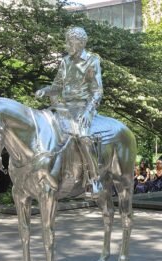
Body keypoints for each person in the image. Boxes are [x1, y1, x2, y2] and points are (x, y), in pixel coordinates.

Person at [35, 26, 103, 196]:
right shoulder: (65, 62)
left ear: (80, 42)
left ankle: (94, 179)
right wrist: (45, 90)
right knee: (45, 129)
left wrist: (88, 111)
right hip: (64, 108)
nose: (67, 45)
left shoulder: (92, 61)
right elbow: (57, 87)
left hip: (83, 107)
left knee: (83, 137)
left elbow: (97, 91)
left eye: (69, 41)